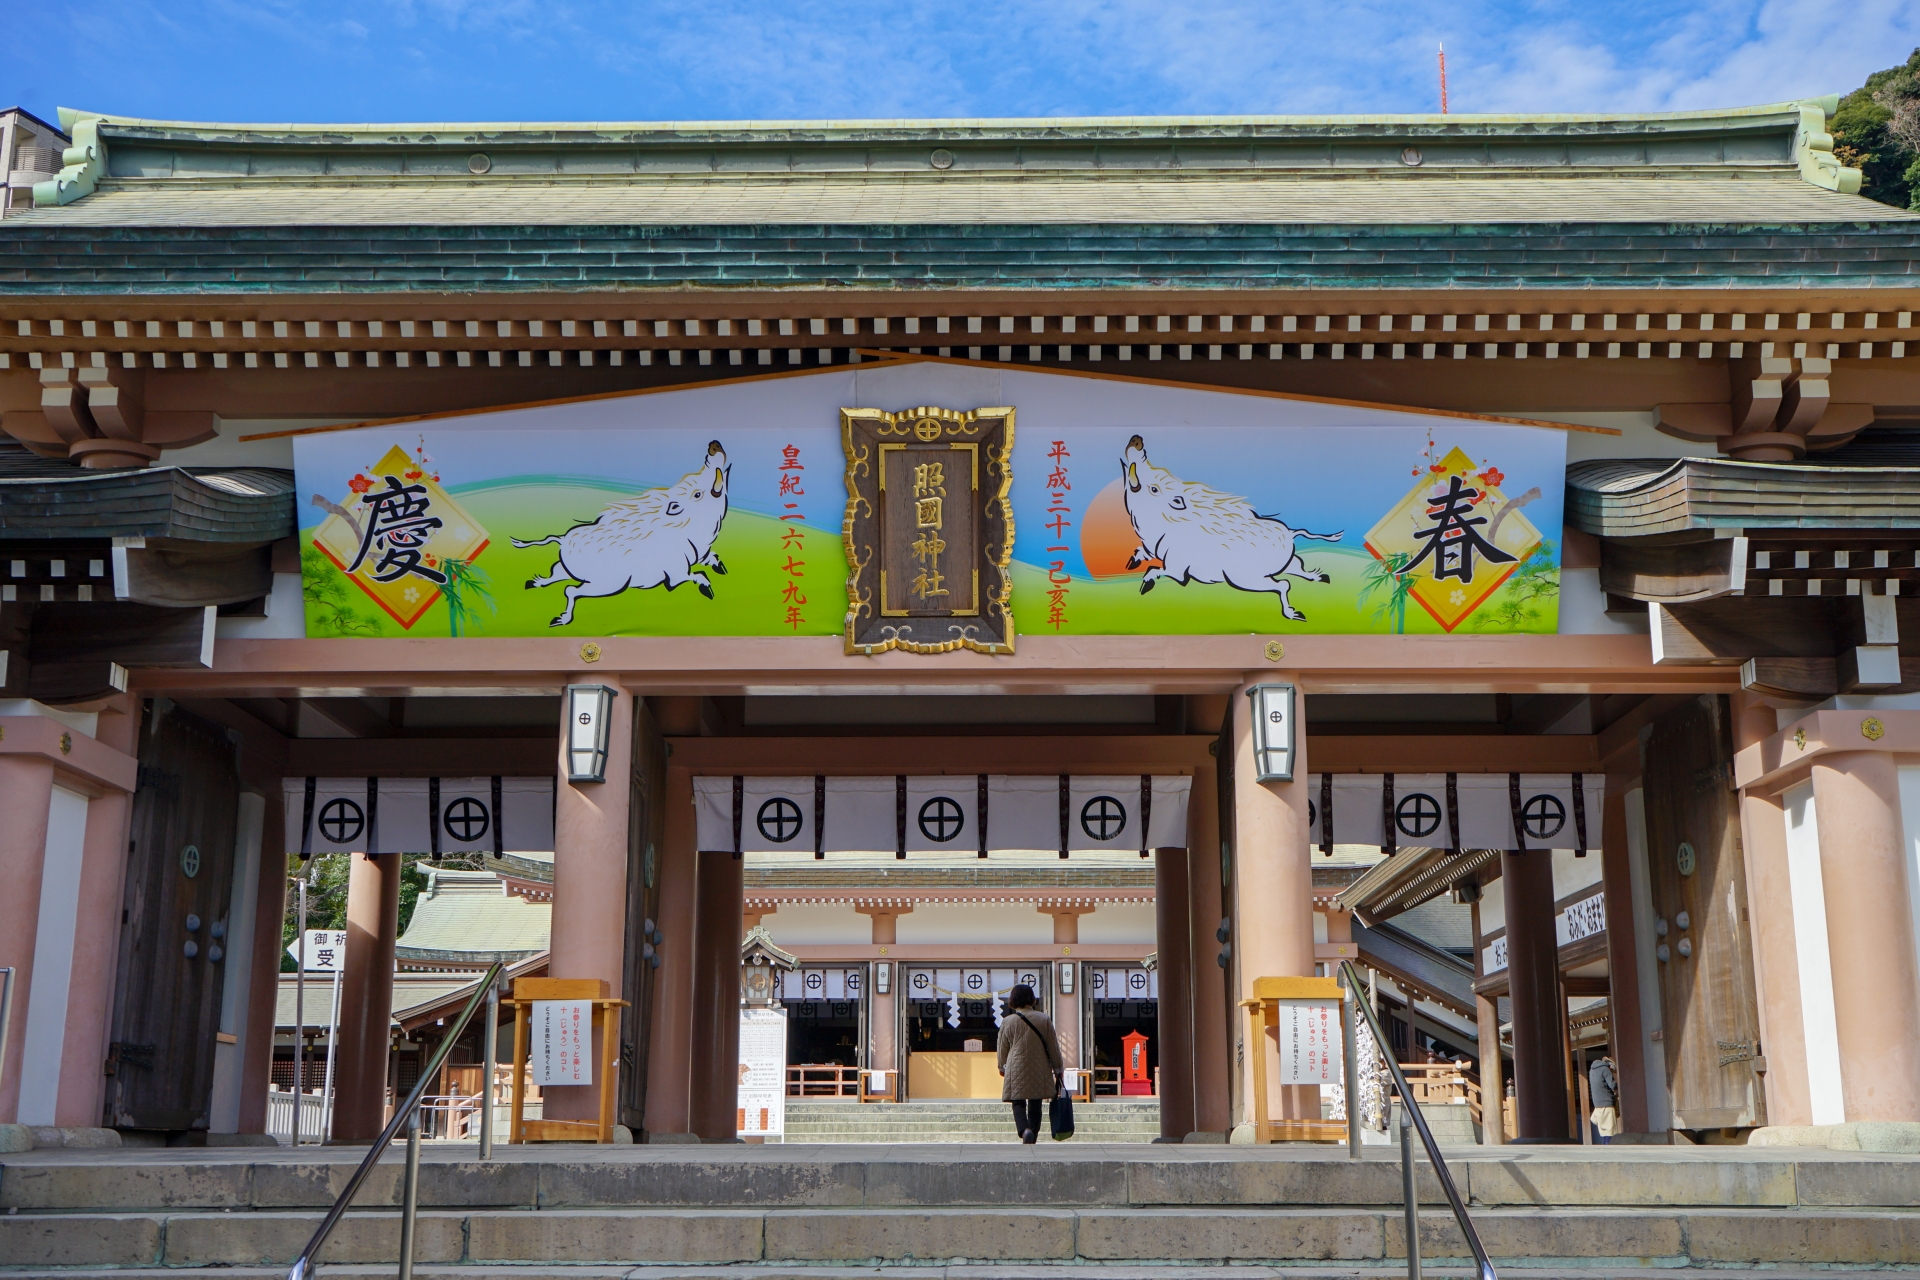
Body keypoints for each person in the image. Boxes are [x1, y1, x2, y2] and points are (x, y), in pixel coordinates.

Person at [997, 984, 1063, 1144]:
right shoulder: (1043, 1019)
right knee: (1036, 1102)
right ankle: (1033, 1133)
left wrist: (1001, 1065)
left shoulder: (1007, 1021)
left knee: (1017, 1101)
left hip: (1015, 1066)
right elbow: (1053, 1046)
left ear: (1013, 1000)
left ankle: (1024, 1130)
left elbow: (1002, 1047)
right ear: (1032, 999)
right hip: (1039, 1066)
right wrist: (1058, 1068)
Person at [1588, 1054, 1619, 1144]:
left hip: (1597, 1104)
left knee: (1603, 1132)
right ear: (1611, 1065)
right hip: (1607, 1103)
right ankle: (1608, 1150)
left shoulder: (1592, 1070)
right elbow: (1612, 1085)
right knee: (1610, 1130)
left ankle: (1604, 1148)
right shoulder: (1605, 1069)